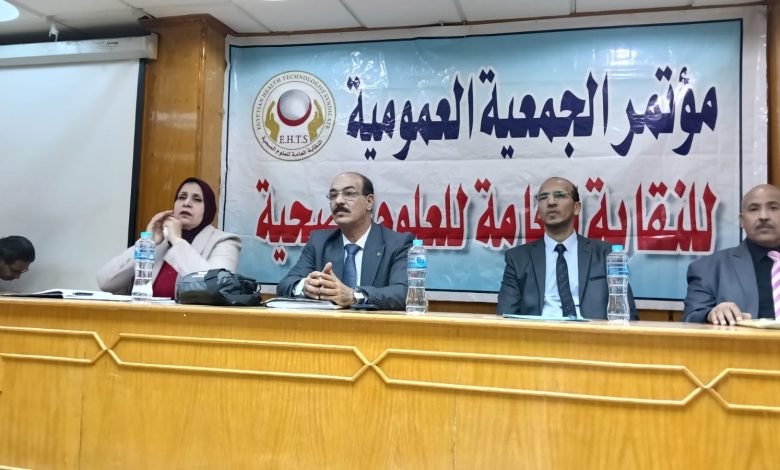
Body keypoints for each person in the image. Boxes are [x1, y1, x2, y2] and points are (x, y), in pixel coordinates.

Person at [497, 176, 638, 319]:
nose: (551, 202)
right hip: (538, 332)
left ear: (576, 208)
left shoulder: (606, 255)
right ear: (538, 211)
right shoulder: (517, 259)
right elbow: (505, 316)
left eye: (559, 195)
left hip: (591, 331)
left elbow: (628, 315)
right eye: (543, 197)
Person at [277, 172, 414, 310]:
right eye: (333, 195)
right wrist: (305, 286)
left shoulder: (397, 243)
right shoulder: (318, 242)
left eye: (349, 194)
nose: (338, 201)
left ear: (369, 202)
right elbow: (285, 284)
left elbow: (404, 293)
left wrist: (355, 296)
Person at [97, 177, 241, 297]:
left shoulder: (224, 241)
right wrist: (147, 243)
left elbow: (217, 288)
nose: (186, 203)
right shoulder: (159, 244)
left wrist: (177, 241)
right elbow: (105, 282)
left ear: (209, 209)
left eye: (197, 199)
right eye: (181, 197)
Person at [684, 183, 780, 325]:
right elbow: (691, 318)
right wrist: (710, 314)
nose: (763, 216)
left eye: (773, 208)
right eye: (754, 209)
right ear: (742, 221)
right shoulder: (708, 268)